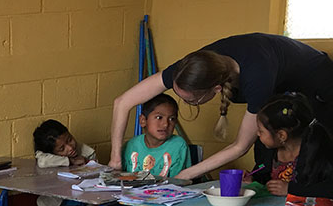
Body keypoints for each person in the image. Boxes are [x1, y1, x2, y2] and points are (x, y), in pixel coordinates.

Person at [109, 33, 333, 181]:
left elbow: (240, 146)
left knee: (315, 158)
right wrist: (116, 159)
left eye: (190, 101)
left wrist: (183, 176)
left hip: (320, 84)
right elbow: (122, 102)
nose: (184, 103)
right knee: (265, 156)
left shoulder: (257, 77)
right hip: (281, 86)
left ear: (216, 89)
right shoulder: (192, 66)